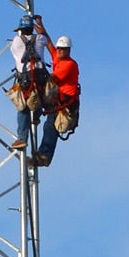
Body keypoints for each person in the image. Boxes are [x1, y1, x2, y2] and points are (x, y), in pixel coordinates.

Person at [8, 14, 55, 159]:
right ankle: (36, 115)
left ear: (21, 30)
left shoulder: (16, 41)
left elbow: (16, 54)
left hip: (25, 79)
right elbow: (45, 37)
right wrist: (39, 24)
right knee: (40, 96)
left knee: (22, 107)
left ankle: (22, 138)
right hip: (40, 77)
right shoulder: (40, 39)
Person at [33, 34, 79, 168]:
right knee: (48, 124)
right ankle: (42, 153)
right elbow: (48, 44)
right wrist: (41, 28)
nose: (59, 50)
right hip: (57, 100)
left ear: (68, 50)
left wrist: (34, 74)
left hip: (65, 104)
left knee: (50, 127)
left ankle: (44, 156)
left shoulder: (69, 65)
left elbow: (51, 78)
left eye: (62, 49)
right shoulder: (58, 58)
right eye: (59, 48)